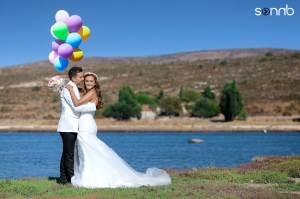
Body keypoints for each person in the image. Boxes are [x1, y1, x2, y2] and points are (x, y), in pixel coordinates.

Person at [66, 72, 171, 188]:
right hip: (86, 124)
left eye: (91, 81)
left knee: (87, 148)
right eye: (87, 81)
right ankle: (90, 173)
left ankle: (91, 175)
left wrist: (70, 90)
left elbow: (77, 103)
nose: (89, 83)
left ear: (95, 82)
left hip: (87, 125)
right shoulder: (86, 92)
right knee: (88, 149)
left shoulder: (92, 92)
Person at [57, 67, 98, 184]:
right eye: (80, 77)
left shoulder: (74, 88)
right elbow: (76, 106)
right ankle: (71, 179)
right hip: (68, 125)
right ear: (73, 78)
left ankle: (64, 179)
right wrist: (92, 106)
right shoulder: (67, 89)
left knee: (67, 153)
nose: (83, 78)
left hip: (73, 125)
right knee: (69, 154)